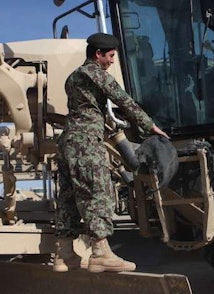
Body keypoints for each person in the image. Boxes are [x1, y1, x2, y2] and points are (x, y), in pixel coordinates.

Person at [53, 33, 169, 273]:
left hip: (67, 142)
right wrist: (151, 126)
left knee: (68, 196)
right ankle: (100, 253)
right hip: (86, 142)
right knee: (97, 191)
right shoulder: (94, 73)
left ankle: (64, 255)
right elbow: (123, 100)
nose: (112, 61)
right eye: (111, 56)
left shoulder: (72, 77)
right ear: (98, 55)